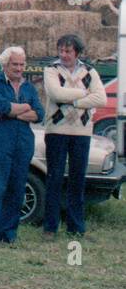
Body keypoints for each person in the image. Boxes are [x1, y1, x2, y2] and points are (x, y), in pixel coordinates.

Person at [0, 46, 44, 247]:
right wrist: (24, 109)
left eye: (22, 64)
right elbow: (1, 106)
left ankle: (7, 234)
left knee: (16, 189)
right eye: (15, 64)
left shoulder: (29, 88)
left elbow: (39, 113)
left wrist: (13, 112)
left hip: (23, 144)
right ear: (5, 64)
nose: (20, 68)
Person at [41, 33, 107, 239]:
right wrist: (85, 94)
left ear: (77, 52)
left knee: (78, 179)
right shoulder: (51, 70)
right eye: (61, 50)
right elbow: (55, 94)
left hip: (82, 132)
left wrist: (76, 102)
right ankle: (50, 228)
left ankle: (76, 227)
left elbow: (102, 98)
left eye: (68, 51)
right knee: (54, 178)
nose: (64, 55)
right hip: (56, 131)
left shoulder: (90, 71)